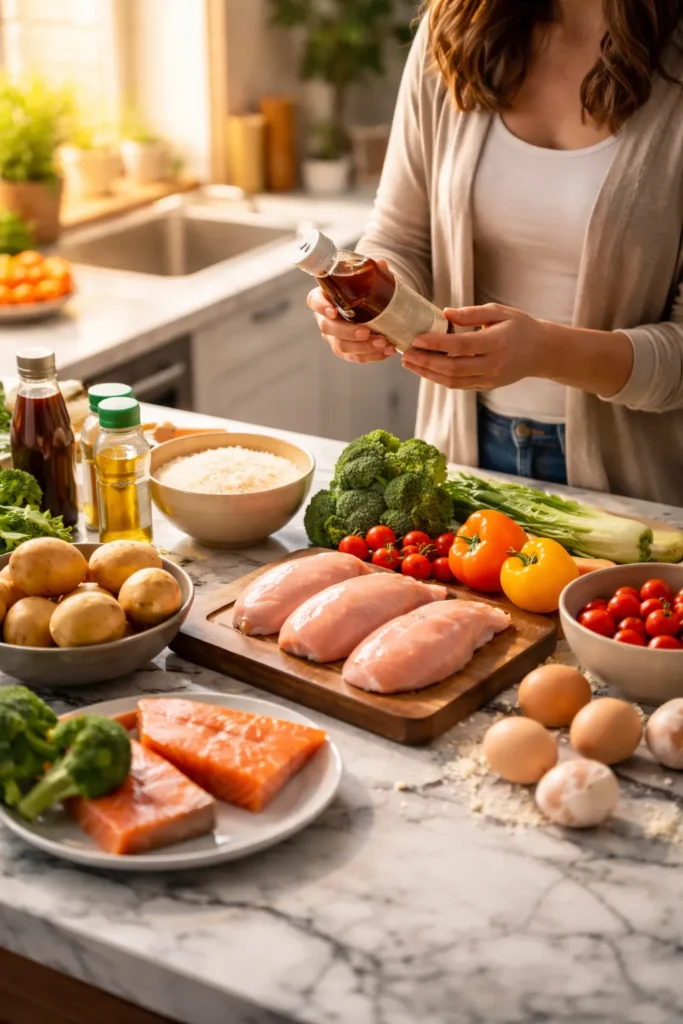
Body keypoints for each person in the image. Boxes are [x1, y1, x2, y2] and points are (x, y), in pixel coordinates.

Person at [305, 0, 683, 505]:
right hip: (461, 462)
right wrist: (372, 302)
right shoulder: (457, 25)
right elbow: (402, 235)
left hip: (639, 493)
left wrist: (544, 352)